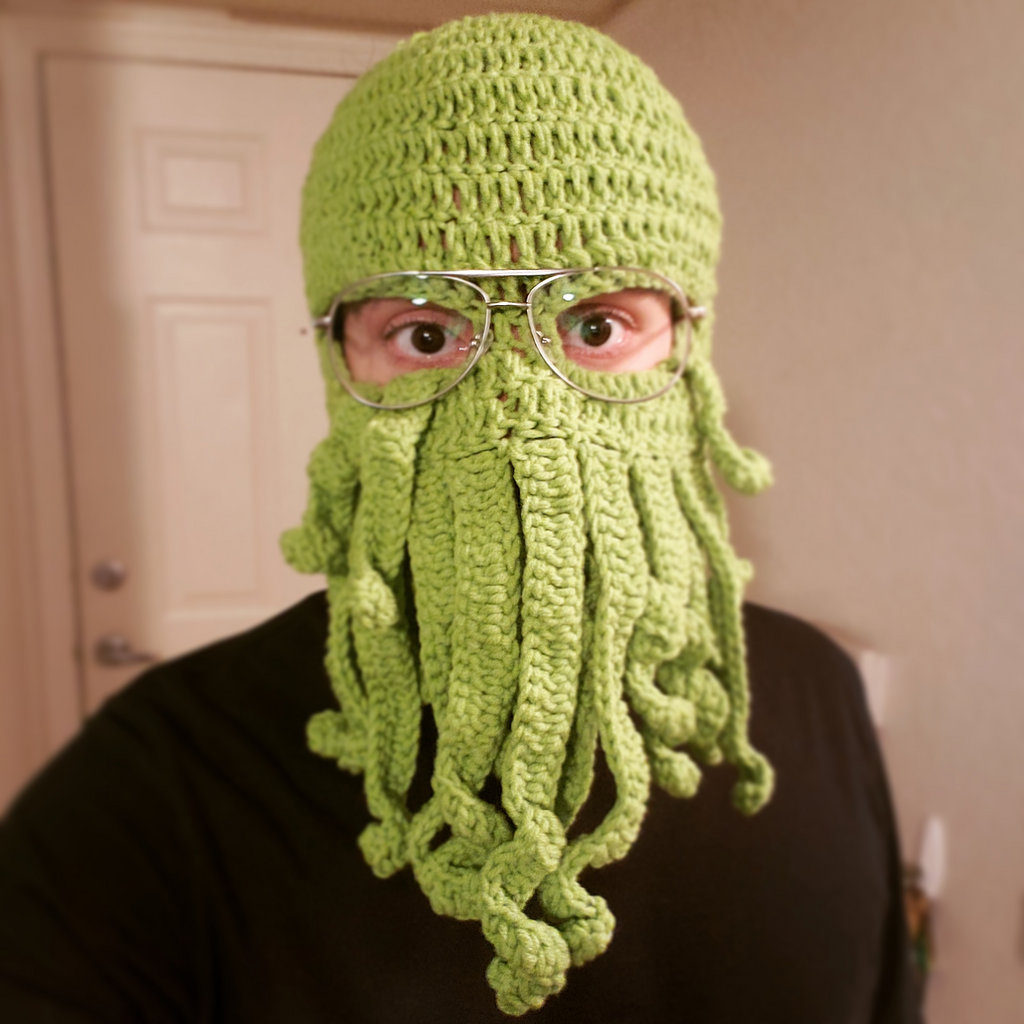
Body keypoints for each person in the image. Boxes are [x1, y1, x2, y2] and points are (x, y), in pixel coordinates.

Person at [0, 13, 922, 1022]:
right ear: (338, 363)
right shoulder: (156, 788)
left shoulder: (818, 699)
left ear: (689, 347)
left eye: (595, 323)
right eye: (427, 332)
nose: (518, 411)